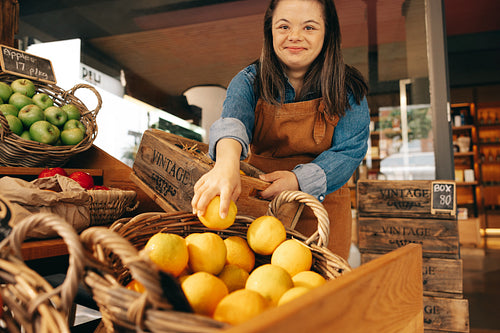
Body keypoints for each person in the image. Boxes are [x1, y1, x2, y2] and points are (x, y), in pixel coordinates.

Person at [191, 0, 369, 260]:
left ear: (327, 33)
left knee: (324, 292)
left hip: (323, 208)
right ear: (270, 31)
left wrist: (297, 181)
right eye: (283, 26)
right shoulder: (249, 81)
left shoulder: (349, 88)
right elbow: (233, 122)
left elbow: (349, 152)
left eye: (309, 27)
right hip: (261, 205)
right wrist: (226, 165)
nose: (294, 36)